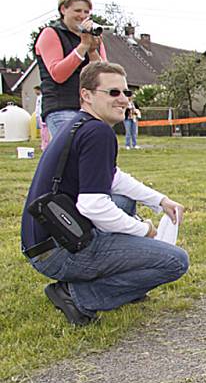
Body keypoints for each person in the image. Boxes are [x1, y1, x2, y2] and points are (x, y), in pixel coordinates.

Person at [20, 62, 189, 326]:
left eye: (125, 93)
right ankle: (78, 296)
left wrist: (159, 200)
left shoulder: (79, 124)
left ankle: (121, 284)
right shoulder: (98, 132)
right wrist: (145, 230)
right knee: (175, 261)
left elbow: (112, 177)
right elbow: (94, 206)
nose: (123, 99)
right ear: (86, 95)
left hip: (44, 241)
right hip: (58, 251)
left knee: (124, 200)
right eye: (113, 93)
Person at [35, 0, 107, 139]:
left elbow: (104, 76)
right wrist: (82, 47)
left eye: (87, 12)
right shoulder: (50, 34)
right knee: (71, 152)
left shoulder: (93, 38)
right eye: (77, 10)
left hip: (90, 108)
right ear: (63, 9)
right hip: (62, 106)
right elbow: (58, 74)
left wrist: (93, 51)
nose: (82, 16)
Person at [33, 85, 51, 151]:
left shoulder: (42, 97)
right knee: (42, 132)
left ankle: (46, 146)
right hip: (39, 116)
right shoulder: (38, 97)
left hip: (42, 115)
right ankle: (43, 145)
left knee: (45, 132)